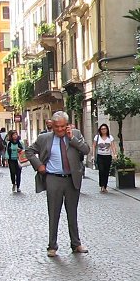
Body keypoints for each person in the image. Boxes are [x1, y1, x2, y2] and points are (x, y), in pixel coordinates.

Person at [26, 111, 91, 258]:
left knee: (72, 213)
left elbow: (86, 150)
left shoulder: (75, 134)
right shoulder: (44, 138)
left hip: (72, 179)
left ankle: (76, 244)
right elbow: (29, 151)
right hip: (53, 178)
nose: (60, 129)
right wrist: (38, 165)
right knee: (54, 213)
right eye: (56, 126)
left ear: (67, 125)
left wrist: (72, 138)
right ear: (52, 125)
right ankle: (52, 246)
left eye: (62, 126)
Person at [92, 123, 118, 193]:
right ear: (100, 130)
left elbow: (113, 146)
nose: (103, 130)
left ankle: (105, 186)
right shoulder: (97, 137)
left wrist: (115, 154)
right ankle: (102, 186)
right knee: (101, 170)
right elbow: (94, 146)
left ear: (107, 129)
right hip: (100, 156)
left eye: (105, 129)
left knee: (106, 171)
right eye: (102, 129)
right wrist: (93, 155)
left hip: (108, 156)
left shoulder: (110, 137)